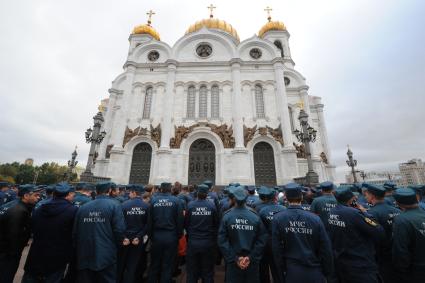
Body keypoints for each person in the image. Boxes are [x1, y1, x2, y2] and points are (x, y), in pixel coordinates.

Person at [272, 183, 333, 283]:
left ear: (285, 198)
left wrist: (281, 272)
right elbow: (325, 248)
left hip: (291, 271)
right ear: (301, 197)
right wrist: (327, 272)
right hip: (314, 270)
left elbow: (276, 249)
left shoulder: (278, 218)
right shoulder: (315, 219)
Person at [22, 182, 78, 283]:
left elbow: (32, 228)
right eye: (73, 193)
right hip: (56, 260)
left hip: (35, 255)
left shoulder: (39, 208)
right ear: (69, 194)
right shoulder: (73, 211)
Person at [327, 186, 384, 283]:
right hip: (360, 264)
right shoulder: (354, 213)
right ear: (353, 199)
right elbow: (378, 231)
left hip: (342, 263)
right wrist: (365, 213)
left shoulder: (331, 212)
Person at [73, 181, 126, 283]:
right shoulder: (115, 205)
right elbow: (119, 230)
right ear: (109, 190)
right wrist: (119, 244)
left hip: (84, 252)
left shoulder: (84, 207)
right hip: (106, 254)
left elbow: (75, 231)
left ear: (96, 191)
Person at [218, 187, 268, 283]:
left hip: (233, 260)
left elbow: (222, 240)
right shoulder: (254, 216)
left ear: (233, 199)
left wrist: (235, 258)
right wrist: (251, 257)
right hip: (251, 261)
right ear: (246, 199)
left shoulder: (227, 216)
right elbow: (262, 239)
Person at [0, 184, 42, 283]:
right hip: (7, 254)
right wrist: (15, 253)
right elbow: (13, 236)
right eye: (36, 195)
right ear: (26, 196)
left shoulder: (13, 205)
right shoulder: (19, 211)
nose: (38, 197)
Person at [363, 183, 401, 283]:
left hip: (382, 256)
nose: (365, 197)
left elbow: (372, 236)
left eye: (366, 194)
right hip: (398, 252)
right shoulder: (397, 210)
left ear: (372, 196)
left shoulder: (371, 214)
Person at [148, 182, 184, 283]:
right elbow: (180, 221)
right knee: (167, 265)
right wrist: (178, 235)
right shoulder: (176, 201)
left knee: (154, 264)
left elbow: (149, 221)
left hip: (156, 236)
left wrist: (151, 236)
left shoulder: (154, 200)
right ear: (170, 189)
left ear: (161, 189)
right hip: (171, 236)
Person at [185, 184, 219, 283]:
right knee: (207, 271)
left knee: (192, 271)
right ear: (206, 194)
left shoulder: (190, 205)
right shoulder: (211, 206)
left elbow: (186, 223)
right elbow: (216, 223)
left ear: (197, 193)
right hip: (207, 242)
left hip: (193, 242)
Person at [392, 188, 425, 283]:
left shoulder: (401, 220)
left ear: (398, 203)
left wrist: (401, 271)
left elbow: (401, 250)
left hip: (417, 271)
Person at [118, 184, 150, 283]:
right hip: (137, 240)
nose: (129, 194)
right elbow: (148, 224)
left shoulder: (124, 205)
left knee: (121, 265)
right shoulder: (146, 206)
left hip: (125, 240)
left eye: (130, 192)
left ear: (134, 193)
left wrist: (124, 237)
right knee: (132, 266)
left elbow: (119, 223)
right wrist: (138, 236)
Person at [258, 187, 285, 283]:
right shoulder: (283, 209)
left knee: (263, 267)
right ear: (275, 197)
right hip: (280, 242)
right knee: (278, 268)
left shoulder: (262, 211)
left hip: (265, 243)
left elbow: (259, 229)